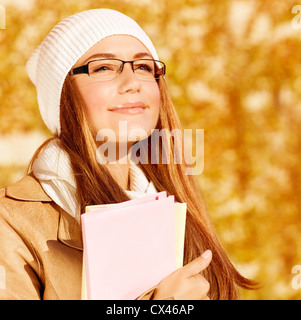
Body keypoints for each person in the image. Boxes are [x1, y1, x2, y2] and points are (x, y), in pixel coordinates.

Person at [0, 8, 257, 300]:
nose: (132, 82)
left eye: (144, 67)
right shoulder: (10, 222)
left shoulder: (178, 209)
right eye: (104, 68)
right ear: (61, 95)